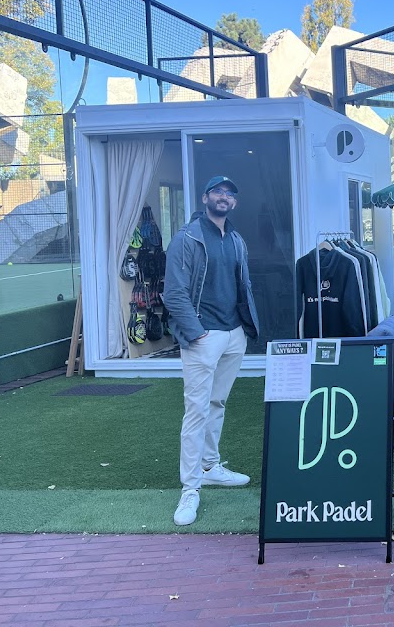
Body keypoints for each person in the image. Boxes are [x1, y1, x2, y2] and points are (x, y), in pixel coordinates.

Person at [163, 175, 260, 526]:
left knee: (217, 403)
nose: (224, 197)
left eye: (229, 193)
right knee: (196, 410)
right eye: (218, 191)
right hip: (204, 336)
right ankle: (190, 489)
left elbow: (242, 285)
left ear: (234, 202)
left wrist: (244, 329)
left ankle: (210, 467)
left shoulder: (235, 238)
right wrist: (197, 333)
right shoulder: (187, 238)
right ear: (205, 198)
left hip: (234, 334)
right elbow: (173, 293)